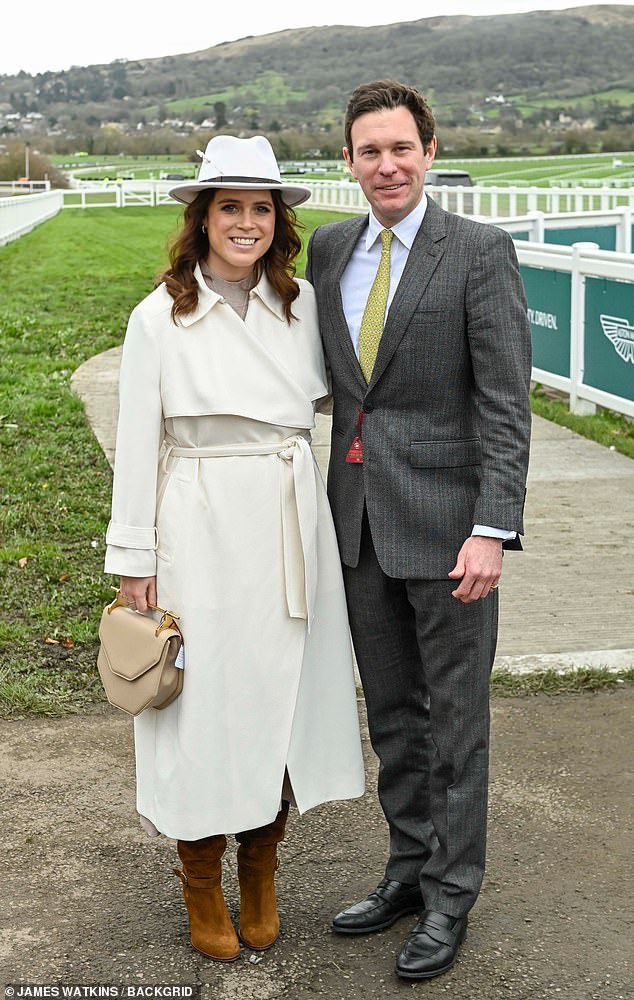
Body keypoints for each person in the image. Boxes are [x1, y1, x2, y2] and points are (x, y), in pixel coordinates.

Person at [104, 134, 365, 963]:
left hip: (290, 519)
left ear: (279, 222)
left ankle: (261, 867)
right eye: (230, 207)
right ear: (202, 217)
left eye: (262, 207)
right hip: (200, 524)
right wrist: (135, 560)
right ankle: (198, 875)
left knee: (277, 697)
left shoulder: (300, 305)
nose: (246, 222)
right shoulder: (162, 316)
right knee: (202, 703)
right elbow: (139, 440)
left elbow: (346, 398)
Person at [306, 80, 532, 981]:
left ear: (429, 152)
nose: (386, 165)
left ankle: (451, 896)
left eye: (401, 148)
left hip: (450, 533)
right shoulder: (328, 250)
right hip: (356, 527)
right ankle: (407, 868)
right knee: (394, 719)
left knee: (457, 725)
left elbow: (506, 404)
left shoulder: (478, 252)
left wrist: (493, 528)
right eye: (369, 151)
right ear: (349, 161)